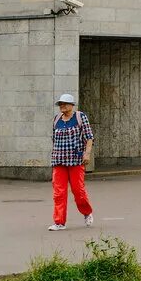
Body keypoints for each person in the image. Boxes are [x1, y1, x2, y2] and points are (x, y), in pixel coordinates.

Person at [49, 93, 94, 231]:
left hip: (75, 160)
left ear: (71, 105)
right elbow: (54, 139)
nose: (62, 106)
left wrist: (87, 154)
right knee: (58, 192)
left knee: (78, 190)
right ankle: (59, 222)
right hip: (58, 161)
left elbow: (89, 137)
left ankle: (87, 212)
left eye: (64, 103)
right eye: (60, 104)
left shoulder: (80, 117)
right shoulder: (57, 119)